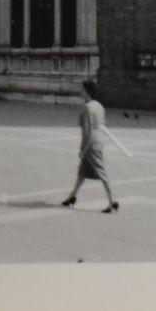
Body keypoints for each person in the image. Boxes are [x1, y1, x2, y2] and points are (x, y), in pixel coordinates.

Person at [61, 79, 119, 213]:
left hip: (91, 143)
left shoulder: (87, 107)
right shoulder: (99, 105)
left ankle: (112, 201)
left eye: (82, 90)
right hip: (98, 140)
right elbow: (102, 124)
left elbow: (87, 131)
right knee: (82, 172)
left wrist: (83, 149)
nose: (80, 92)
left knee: (101, 173)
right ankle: (72, 196)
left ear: (88, 92)